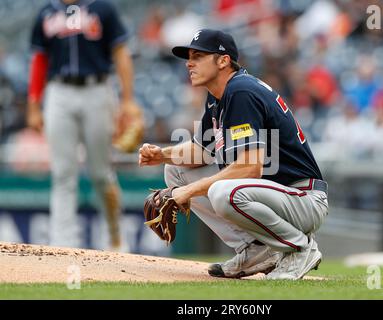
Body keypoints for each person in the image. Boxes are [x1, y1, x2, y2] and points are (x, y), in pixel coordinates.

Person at [139, 29, 329, 280]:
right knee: (175, 171)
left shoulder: (240, 91)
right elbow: (200, 151)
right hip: (274, 196)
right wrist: (161, 155)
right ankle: (255, 251)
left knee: (223, 192)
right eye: (189, 57)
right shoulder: (220, 96)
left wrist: (187, 192)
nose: (189, 63)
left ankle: (300, 248)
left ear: (223, 60)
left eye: (198, 56)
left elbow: (250, 167)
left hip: (302, 197)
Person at [27, 0, 141, 250]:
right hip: (59, 92)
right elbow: (39, 59)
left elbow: (120, 52)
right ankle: (62, 245)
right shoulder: (47, 12)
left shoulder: (102, 8)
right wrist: (34, 105)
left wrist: (128, 99)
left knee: (101, 173)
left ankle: (115, 236)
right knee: (62, 173)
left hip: (97, 90)